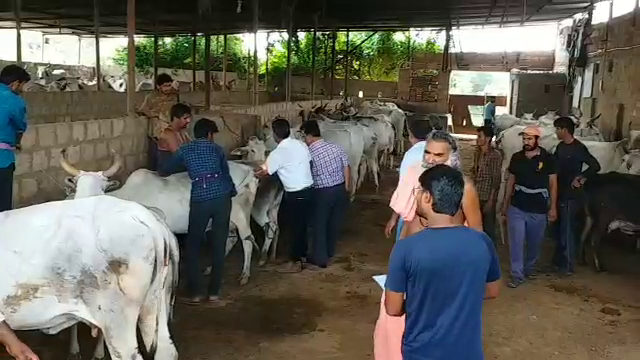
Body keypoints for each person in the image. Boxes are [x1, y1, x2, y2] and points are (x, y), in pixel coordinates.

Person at [374, 130, 484, 360]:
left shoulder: (464, 188)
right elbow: (410, 220)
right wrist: (400, 254)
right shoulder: (418, 178)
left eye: (439, 155)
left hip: (446, 262)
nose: (431, 159)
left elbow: (477, 235)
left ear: (452, 157)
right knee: (396, 320)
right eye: (428, 153)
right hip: (415, 258)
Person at [384, 165, 501, 360]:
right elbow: (492, 290)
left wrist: (421, 300)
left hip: (421, 351)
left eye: (418, 192)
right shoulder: (482, 243)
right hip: (467, 352)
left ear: (428, 198)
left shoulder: (406, 248)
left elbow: (393, 308)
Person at [161, 118, 236, 306]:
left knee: (193, 245)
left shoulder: (185, 150)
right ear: (210, 135)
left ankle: (195, 293)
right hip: (222, 198)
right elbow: (226, 173)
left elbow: (166, 170)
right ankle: (214, 294)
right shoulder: (217, 149)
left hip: (201, 199)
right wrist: (231, 192)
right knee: (219, 244)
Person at [501, 125, 557, 288]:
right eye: (524, 138)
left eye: (529, 138)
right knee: (516, 242)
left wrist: (553, 207)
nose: (526, 142)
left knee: (535, 242)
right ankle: (517, 274)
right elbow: (511, 181)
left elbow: (553, 183)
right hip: (518, 206)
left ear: (537, 140)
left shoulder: (548, 159)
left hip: (539, 208)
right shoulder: (517, 158)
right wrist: (505, 204)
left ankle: (529, 267)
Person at [255, 118, 313, 274]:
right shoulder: (300, 144)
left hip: (295, 193)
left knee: (294, 227)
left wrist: (253, 171)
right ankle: (300, 256)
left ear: (274, 135)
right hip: (308, 190)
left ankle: (296, 261)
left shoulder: (278, 153)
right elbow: (308, 161)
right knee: (299, 225)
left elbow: (264, 172)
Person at [300, 120, 350, 269]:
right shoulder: (336, 147)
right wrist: (346, 186)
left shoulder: (308, 154)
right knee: (334, 223)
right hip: (340, 190)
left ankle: (320, 259)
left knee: (319, 225)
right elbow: (346, 166)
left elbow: (306, 174)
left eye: (303, 136)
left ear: (308, 135)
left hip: (322, 192)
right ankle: (329, 251)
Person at [553, 116, 600, 276]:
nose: (556, 132)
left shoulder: (579, 148)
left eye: (557, 129)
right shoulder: (560, 147)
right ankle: (558, 262)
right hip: (558, 192)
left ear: (564, 129)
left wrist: (581, 177)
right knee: (558, 229)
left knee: (568, 230)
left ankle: (568, 266)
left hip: (572, 196)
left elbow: (595, 166)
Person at [384, 118, 431, 242]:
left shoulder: (412, 154)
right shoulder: (439, 152)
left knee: (405, 244)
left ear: (410, 135)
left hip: (412, 210)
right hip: (434, 212)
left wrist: (394, 218)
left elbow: (404, 188)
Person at [0, 65, 30, 212]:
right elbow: (20, 127)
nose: (22, 90)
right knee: (2, 207)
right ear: (15, 83)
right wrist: (17, 143)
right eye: (22, 85)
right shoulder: (14, 101)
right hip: (2, 160)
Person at [137, 73, 179, 171]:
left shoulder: (174, 97)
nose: (168, 88)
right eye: (165, 86)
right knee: (154, 161)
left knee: (169, 160)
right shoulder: (150, 97)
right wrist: (155, 114)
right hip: (156, 134)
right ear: (158, 86)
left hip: (171, 133)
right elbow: (142, 110)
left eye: (169, 85)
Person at [472, 126, 502, 243]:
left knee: (488, 229)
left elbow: (496, 180)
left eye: (480, 136)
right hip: (476, 194)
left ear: (488, 138)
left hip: (486, 196)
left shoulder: (494, 156)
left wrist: (491, 201)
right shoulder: (477, 153)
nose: (477, 139)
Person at [156, 103, 192, 175]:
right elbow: (178, 155)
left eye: (189, 118)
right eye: (185, 118)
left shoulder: (183, 132)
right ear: (176, 118)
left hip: (179, 167)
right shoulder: (168, 133)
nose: (188, 121)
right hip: (168, 171)